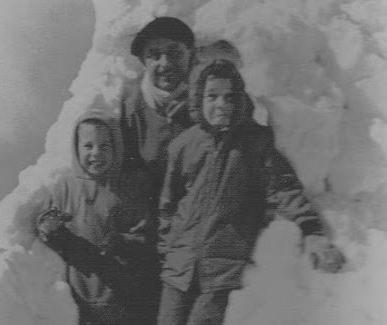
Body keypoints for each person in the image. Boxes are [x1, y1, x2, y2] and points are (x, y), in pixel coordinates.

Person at [157, 59, 345, 325]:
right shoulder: (184, 145)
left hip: (221, 270)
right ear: (198, 99)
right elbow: (168, 204)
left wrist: (311, 230)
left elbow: (283, 188)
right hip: (179, 267)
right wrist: (168, 249)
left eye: (229, 96)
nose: (221, 104)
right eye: (212, 96)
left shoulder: (255, 143)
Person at [35, 109, 156, 325]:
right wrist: (49, 228)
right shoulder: (65, 187)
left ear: (116, 147)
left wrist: (124, 242)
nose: (96, 153)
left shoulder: (126, 189)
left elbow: (145, 238)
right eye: (88, 146)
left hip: (119, 297)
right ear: (76, 147)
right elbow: (53, 231)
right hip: (80, 297)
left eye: (104, 146)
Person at [121, 16, 196, 194]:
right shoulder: (131, 110)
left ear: (190, 54)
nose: (165, 63)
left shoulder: (210, 95)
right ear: (143, 61)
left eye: (175, 53)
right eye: (154, 55)